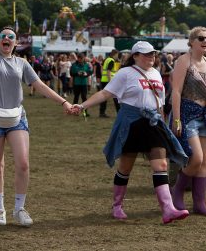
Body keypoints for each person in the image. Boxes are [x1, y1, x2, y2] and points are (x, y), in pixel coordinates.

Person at [0, 0, 72, 227]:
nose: (7, 39)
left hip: (17, 117)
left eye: (11, 37)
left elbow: (38, 85)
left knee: (22, 163)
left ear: (16, 43)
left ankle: (19, 209)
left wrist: (63, 101)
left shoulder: (22, 63)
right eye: (3, 36)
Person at [71, 41, 189, 224]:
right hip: (132, 123)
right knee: (125, 167)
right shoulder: (125, 73)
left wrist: (164, 121)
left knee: (161, 165)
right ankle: (117, 206)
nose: (151, 57)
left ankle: (168, 209)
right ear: (135, 56)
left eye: (153, 54)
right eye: (146, 54)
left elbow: (160, 101)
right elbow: (105, 94)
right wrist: (82, 105)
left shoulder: (157, 73)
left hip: (153, 123)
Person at [170, 27, 206, 216]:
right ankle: (177, 191)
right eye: (201, 38)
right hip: (188, 113)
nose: (205, 41)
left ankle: (199, 203)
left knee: (204, 163)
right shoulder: (183, 61)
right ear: (192, 41)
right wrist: (177, 119)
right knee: (196, 158)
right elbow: (176, 92)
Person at [99, 49, 120, 117]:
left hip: (103, 80)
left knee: (103, 97)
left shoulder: (106, 59)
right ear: (114, 54)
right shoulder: (111, 60)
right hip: (109, 81)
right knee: (116, 97)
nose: (117, 56)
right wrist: (110, 81)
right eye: (117, 55)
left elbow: (101, 67)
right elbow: (108, 71)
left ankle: (102, 112)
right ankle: (119, 113)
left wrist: (103, 75)